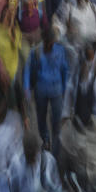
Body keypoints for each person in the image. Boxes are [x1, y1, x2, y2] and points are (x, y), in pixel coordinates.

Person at [25, 25, 70, 153]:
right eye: (48, 42)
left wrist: (65, 88)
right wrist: (26, 87)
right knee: (41, 117)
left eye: (52, 42)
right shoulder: (36, 52)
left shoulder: (60, 50)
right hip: (41, 90)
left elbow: (64, 69)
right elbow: (28, 70)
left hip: (57, 89)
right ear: (44, 40)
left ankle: (56, 145)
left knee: (57, 119)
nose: (50, 45)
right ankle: (45, 139)